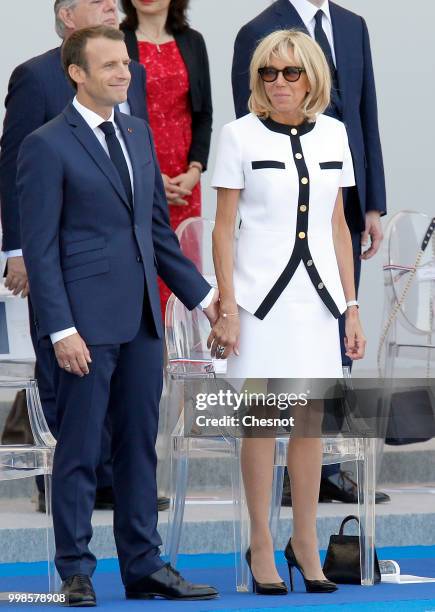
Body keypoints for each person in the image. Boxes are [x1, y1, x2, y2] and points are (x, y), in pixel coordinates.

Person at [17, 26, 219, 606]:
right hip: (80, 326)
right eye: (108, 65)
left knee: (138, 448)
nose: (122, 72)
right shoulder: (46, 144)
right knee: (80, 452)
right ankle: (76, 571)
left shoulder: (137, 133)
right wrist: (60, 329)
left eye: (125, 63)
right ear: (76, 72)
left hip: (141, 323)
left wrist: (205, 301)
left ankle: (143, 565)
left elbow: (155, 232)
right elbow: (41, 248)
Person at [209, 29, 365, 595]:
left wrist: (351, 307)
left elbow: (338, 227)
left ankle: (304, 541)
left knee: (309, 427)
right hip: (258, 307)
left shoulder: (337, 135)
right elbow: (223, 230)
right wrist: (227, 305)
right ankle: (260, 542)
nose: (277, 83)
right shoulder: (237, 136)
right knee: (261, 427)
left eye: (289, 73)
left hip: (319, 305)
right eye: (267, 74)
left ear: (312, 78)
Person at [231, 0, 389, 504]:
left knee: (337, 344)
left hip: (338, 207)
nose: (282, 78)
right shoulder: (258, 29)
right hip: (276, 228)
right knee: (266, 393)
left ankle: (325, 470)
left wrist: (373, 204)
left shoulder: (352, 24)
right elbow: (250, 123)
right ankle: (278, 484)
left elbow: (366, 113)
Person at [0, 0, 149, 513]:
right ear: (68, 17)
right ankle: (65, 490)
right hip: (64, 266)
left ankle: (113, 485)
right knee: (67, 382)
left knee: (127, 397)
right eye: (100, 1)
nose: (114, 6)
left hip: (125, 269)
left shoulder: (134, 75)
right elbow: (14, 162)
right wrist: (16, 248)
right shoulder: (35, 77)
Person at [120, 0, 212, 317]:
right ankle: (150, 359)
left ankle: (182, 360)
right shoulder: (118, 40)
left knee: (185, 266)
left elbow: (203, 114)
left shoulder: (193, 41)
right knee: (144, 261)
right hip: (139, 171)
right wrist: (152, 175)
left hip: (185, 180)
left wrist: (196, 168)